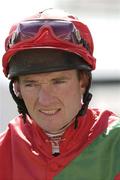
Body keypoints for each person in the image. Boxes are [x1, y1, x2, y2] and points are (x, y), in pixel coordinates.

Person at [0, 8, 120, 180]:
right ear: (17, 88)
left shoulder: (116, 144)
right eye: (31, 84)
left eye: (58, 82)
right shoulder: (4, 150)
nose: (45, 100)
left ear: (83, 81)